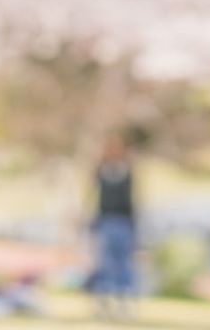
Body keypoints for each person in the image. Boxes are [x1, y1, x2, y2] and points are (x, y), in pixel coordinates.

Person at [91, 134, 137, 318]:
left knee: (123, 264)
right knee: (104, 264)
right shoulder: (101, 171)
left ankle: (123, 303)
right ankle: (103, 303)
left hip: (123, 223)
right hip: (105, 222)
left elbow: (132, 201)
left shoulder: (127, 172)